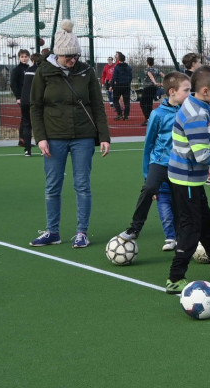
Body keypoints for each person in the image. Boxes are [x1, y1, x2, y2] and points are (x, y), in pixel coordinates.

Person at [28, 20, 111, 249]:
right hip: (53, 137)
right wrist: (40, 138)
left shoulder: (85, 71)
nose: (72, 60)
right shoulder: (44, 72)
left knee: (82, 185)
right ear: (58, 54)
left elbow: (97, 105)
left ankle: (81, 232)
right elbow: (35, 106)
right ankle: (52, 231)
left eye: (75, 55)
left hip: (83, 136)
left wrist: (104, 136)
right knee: (52, 186)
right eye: (68, 57)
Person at [165, 66, 210, 294]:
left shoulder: (200, 104)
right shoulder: (195, 116)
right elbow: (202, 155)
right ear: (205, 91)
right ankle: (175, 278)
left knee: (207, 223)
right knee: (191, 229)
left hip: (192, 179)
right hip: (186, 180)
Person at [118, 71, 189, 248]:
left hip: (180, 165)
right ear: (172, 91)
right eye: (186, 90)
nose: (190, 94)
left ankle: (180, 236)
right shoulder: (157, 114)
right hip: (159, 162)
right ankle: (135, 228)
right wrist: (146, 173)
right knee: (149, 188)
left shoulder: (189, 112)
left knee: (180, 202)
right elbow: (148, 144)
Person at [182, 52, 210, 186]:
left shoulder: (203, 104)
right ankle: (209, 176)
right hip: (187, 179)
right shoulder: (196, 113)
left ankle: (208, 175)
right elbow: (202, 155)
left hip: (192, 176)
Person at [9, 49, 34, 156]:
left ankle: (24, 140)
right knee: (25, 120)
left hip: (31, 97)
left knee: (26, 119)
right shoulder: (17, 70)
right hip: (23, 98)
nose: (24, 58)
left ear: (29, 57)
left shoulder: (30, 68)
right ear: (19, 58)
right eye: (22, 56)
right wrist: (18, 97)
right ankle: (23, 140)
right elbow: (13, 84)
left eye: (26, 56)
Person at [139, 57, 163, 126]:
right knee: (149, 104)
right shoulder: (156, 69)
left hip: (147, 88)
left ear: (147, 62)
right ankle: (150, 119)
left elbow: (150, 75)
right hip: (153, 88)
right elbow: (163, 75)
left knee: (142, 103)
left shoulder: (147, 69)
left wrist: (155, 82)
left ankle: (148, 119)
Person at [111, 51, 132, 121]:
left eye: (116, 55)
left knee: (115, 100)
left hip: (119, 86)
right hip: (126, 86)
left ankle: (119, 114)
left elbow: (114, 77)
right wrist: (128, 83)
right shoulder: (128, 67)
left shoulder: (117, 67)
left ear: (119, 58)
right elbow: (131, 77)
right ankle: (126, 116)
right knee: (127, 101)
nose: (115, 56)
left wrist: (111, 86)